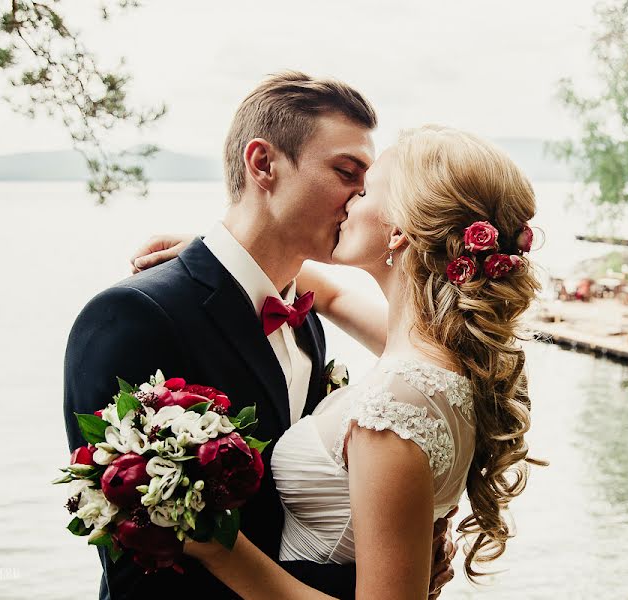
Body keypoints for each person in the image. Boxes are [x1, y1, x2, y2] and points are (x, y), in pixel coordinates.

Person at [64, 72, 454, 600]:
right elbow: (137, 561)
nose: (363, 197)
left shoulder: (307, 319)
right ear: (263, 164)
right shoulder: (135, 315)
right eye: (346, 171)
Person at [131, 123, 544, 599]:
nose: (348, 200)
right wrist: (220, 256)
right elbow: (329, 295)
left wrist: (218, 547)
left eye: (365, 189)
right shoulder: (454, 358)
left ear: (398, 231)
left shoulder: (394, 409)